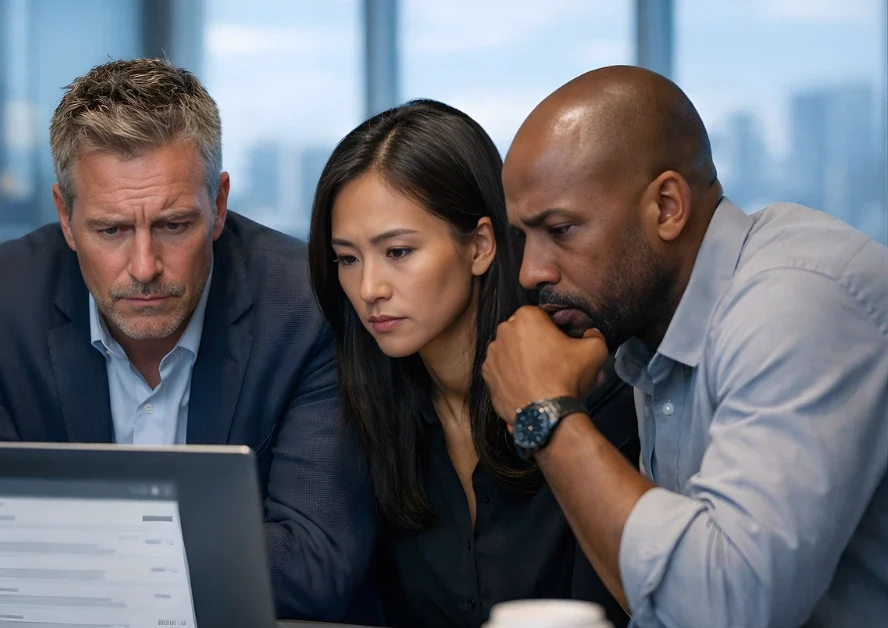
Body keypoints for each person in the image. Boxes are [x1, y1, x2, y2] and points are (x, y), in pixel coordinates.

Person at [0, 58, 376, 621]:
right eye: (110, 230)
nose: (144, 267)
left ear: (219, 205)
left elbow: (313, 564)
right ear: (65, 215)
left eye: (173, 225)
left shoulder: (307, 304)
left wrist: (62, 543)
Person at [483, 65, 888, 628]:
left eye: (562, 229)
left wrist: (545, 412)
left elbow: (731, 609)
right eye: (523, 237)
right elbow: (658, 600)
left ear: (667, 207)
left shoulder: (795, 304)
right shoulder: (652, 329)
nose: (530, 272)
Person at [307, 99, 638, 628]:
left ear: (481, 245)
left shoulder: (594, 388)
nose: (368, 289)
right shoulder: (375, 415)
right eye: (347, 258)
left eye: (397, 251)